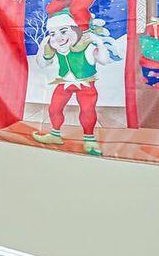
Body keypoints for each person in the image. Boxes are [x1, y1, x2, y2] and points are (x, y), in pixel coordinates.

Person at [32, 10, 106, 156]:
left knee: (87, 111)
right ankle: (55, 135)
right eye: (53, 34)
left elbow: (103, 59)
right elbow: (42, 64)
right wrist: (42, 47)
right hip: (64, 82)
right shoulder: (58, 51)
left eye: (64, 31)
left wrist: (99, 42)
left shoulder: (87, 47)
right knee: (54, 108)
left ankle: (89, 139)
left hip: (85, 84)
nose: (58, 38)